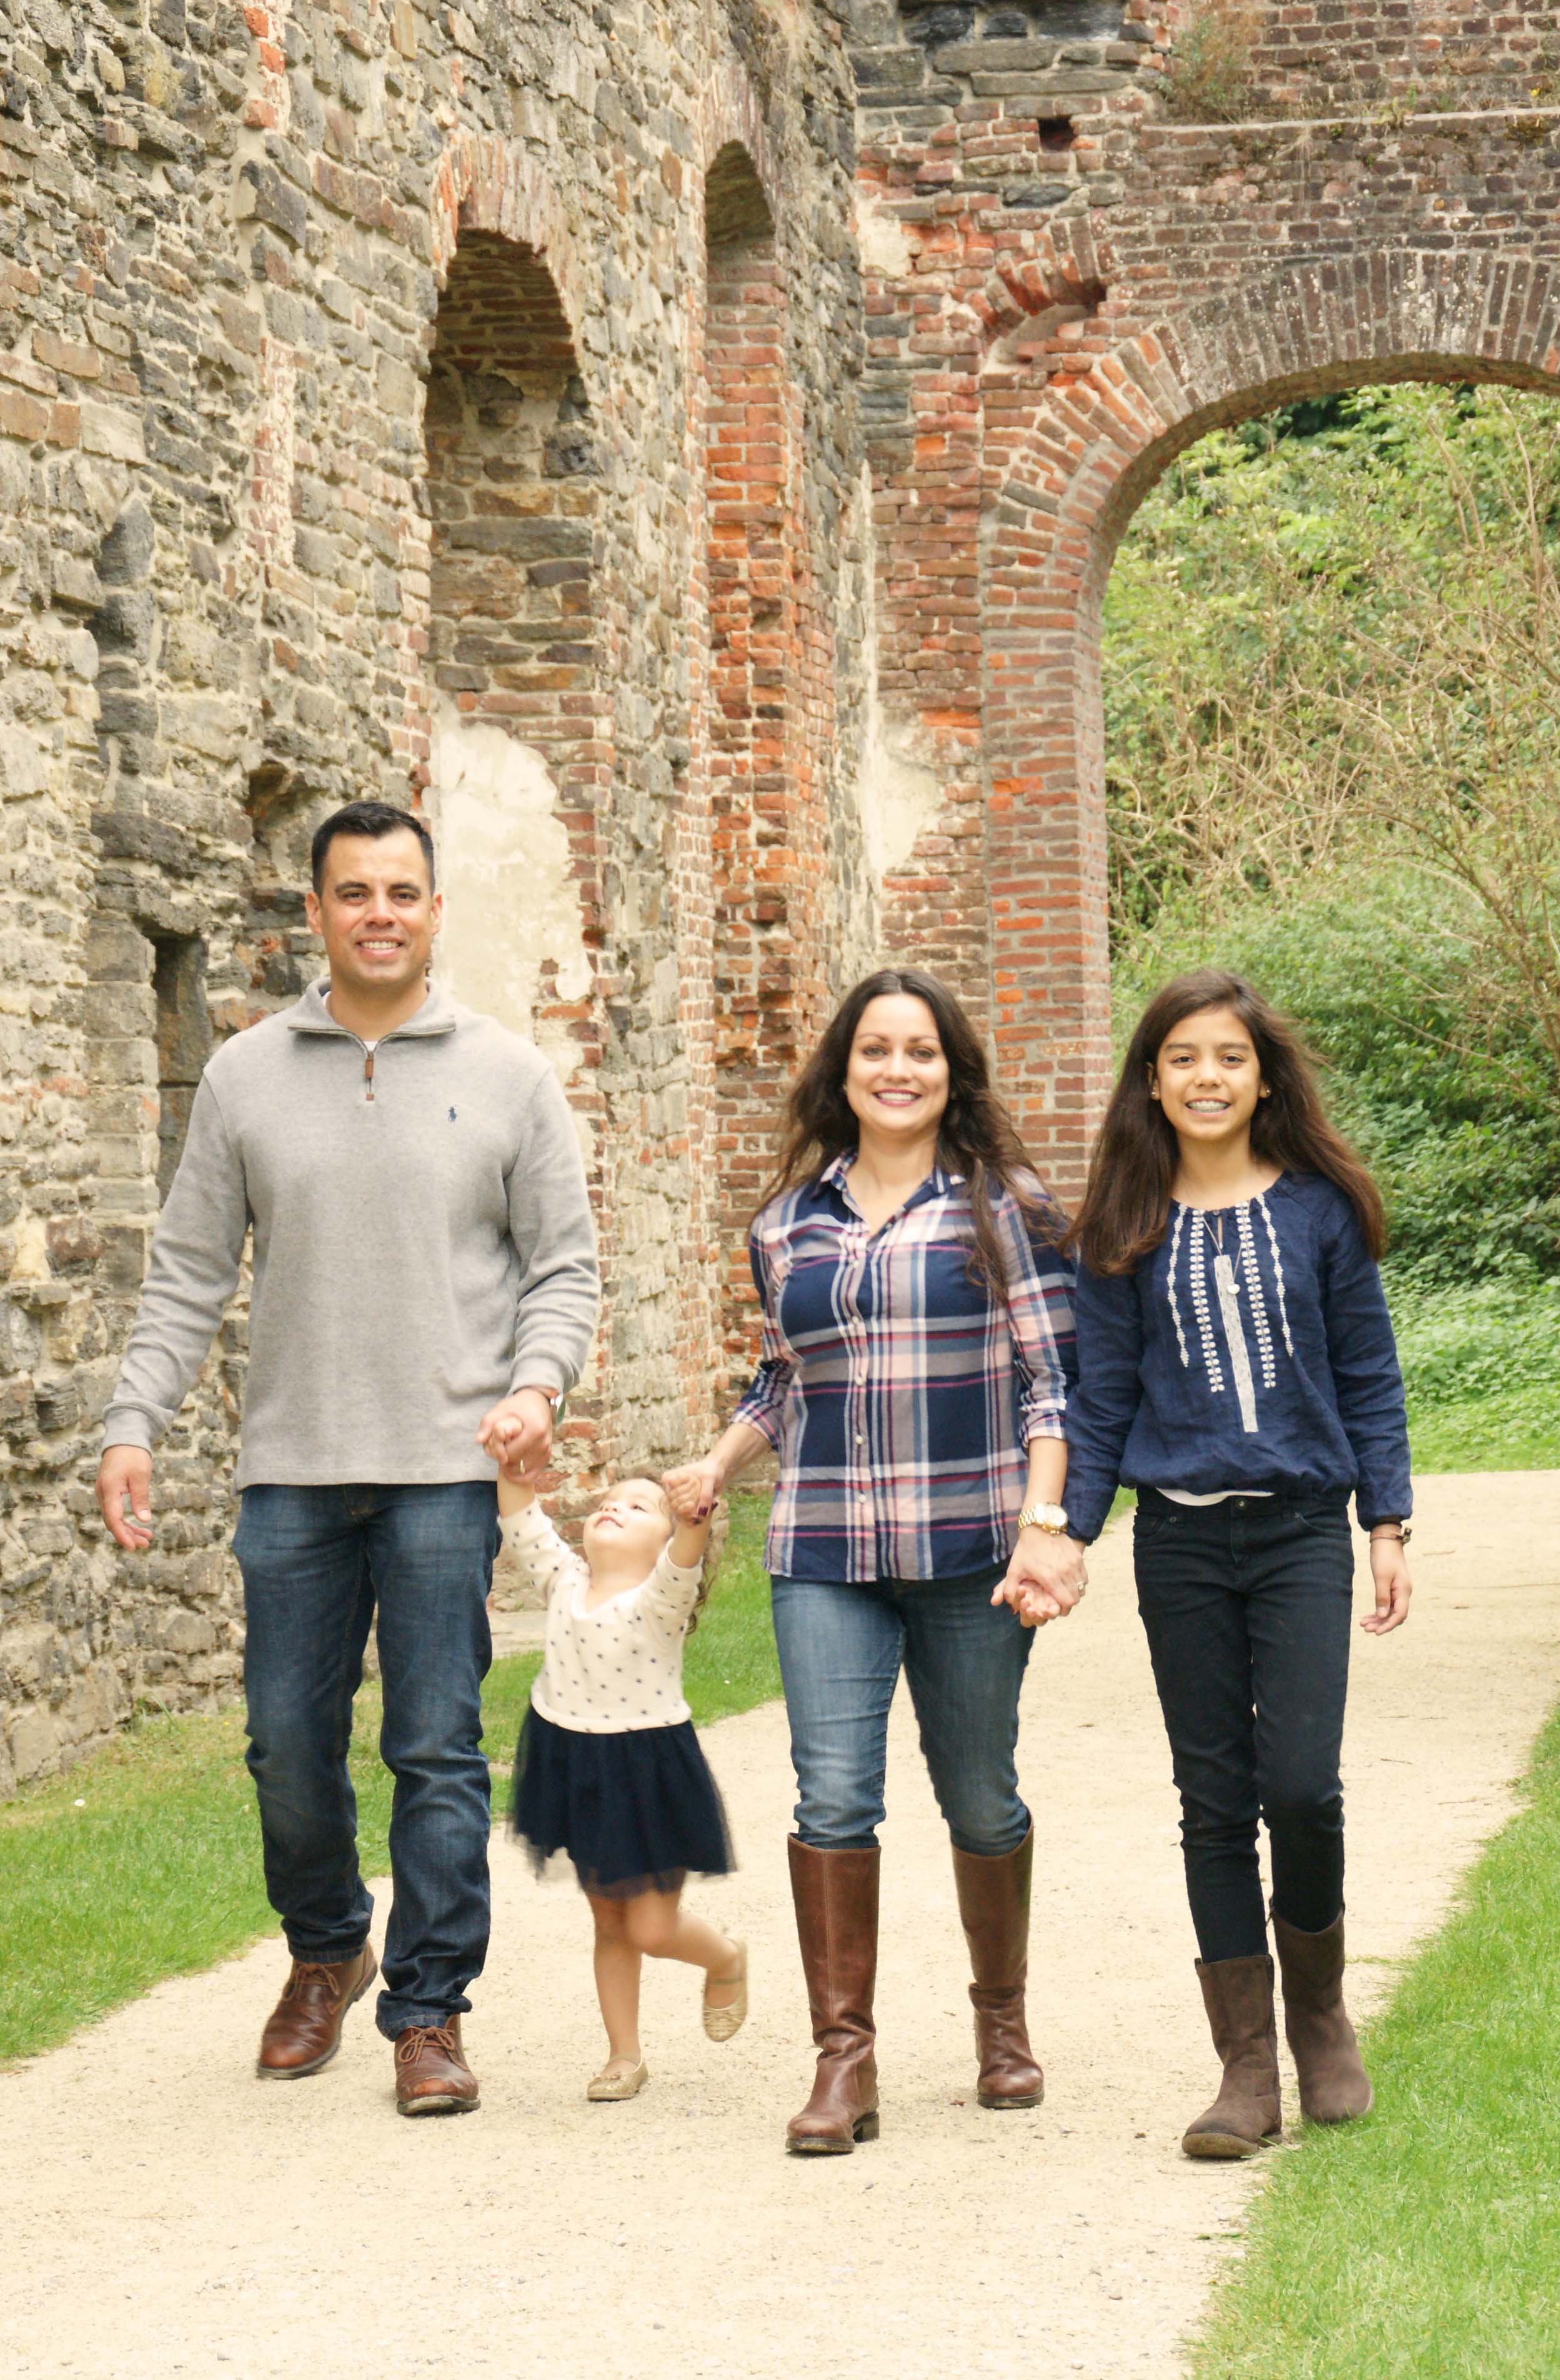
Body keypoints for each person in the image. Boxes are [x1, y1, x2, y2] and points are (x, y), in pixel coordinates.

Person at [96, 800, 600, 2116]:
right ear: (314, 912)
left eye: (402, 892)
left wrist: (537, 1385)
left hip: (444, 1465)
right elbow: (187, 1273)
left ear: (435, 910)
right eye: (355, 892)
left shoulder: (509, 1076)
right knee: (284, 1742)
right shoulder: (245, 1076)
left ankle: (427, 2012)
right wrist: (133, 1421)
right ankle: (327, 1946)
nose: (380, 914)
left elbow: (563, 1268)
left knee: (434, 1746)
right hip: (293, 1468)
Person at [665, 967, 1083, 2156]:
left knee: (979, 1794)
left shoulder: (1005, 1206)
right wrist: (717, 1461)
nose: (897, 1069)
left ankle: (1000, 2022)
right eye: (875, 1050)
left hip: (970, 1548)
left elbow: (1053, 1382)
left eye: (920, 1051)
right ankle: (842, 2060)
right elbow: (782, 1377)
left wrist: (1042, 1522)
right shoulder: (785, 1222)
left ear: (951, 1072)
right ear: (841, 1072)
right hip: (824, 1545)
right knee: (832, 1797)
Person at [1061, 969, 1411, 2161]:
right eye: (1181, 1058)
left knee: (1301, 1784)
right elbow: (1099, 1400)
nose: (1204, 1076)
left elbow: (1366, 1371)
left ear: (1262, 1079)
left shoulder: (1319, 1209)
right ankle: (1244, 2068)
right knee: (1211, 1802)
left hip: (1302, 1530)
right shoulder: (1120, 1225)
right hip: (1180, 1543)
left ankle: (1319, 2016)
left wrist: (1385, 1521)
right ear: (1150, 1081)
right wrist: (1063, 1533)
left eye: (1227, 1057)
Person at [493, 1457, 745, 2101]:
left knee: (651, 1930)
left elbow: (687, 1553)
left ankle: (724, 1958)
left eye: (639, 1507)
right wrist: (513, 1463)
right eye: (610, 1500)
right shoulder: (563, 1580)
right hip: (572, 1764)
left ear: (667, 1538)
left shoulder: (660, 1600)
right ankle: (623, 2056)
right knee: (609, 1923)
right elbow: (521, 1519)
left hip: (647, 1775)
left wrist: (693, 1514)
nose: (614, 1507)